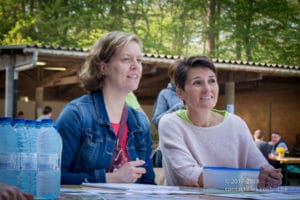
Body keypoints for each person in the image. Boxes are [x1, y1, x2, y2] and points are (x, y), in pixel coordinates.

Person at [158, 55, 282, 188]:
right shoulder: (170, 123)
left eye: (212, 81)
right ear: (180, 93)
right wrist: (250, 180)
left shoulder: (236, 124)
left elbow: (261, 167)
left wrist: (271, 177)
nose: (207, 89)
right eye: (197, 83)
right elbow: (188, 175)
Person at [55, 31, 155, 185]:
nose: (136, 67)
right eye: (126, 59)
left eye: (139, 60)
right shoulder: (77, 114)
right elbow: (52, 176)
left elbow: (148, 183)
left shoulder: (141, 122)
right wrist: (110, 179)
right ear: (103, 67)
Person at [152, 60, 185, 167]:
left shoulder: (192, 93)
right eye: (178, 75)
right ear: (171, 76)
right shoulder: (165, 94)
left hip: (187, 150)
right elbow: (156, 121)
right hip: (166, 150)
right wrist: (176, 108)